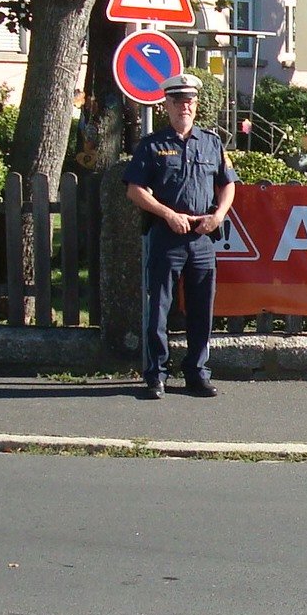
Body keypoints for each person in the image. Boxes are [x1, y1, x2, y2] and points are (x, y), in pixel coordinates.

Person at [125, 73, 237, 399]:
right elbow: (134, 190)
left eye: (189, 102)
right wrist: (168, 214)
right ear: (167, 105)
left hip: (202, 237)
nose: (184, 107)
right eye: (177, 102)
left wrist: (218, 215)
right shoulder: (152, 145)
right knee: (159, 308)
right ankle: (156, 375)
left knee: (202, 310)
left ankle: (197, 374)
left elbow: (228, 183)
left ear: (196, 105)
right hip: (167, 235)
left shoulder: (212, 143)